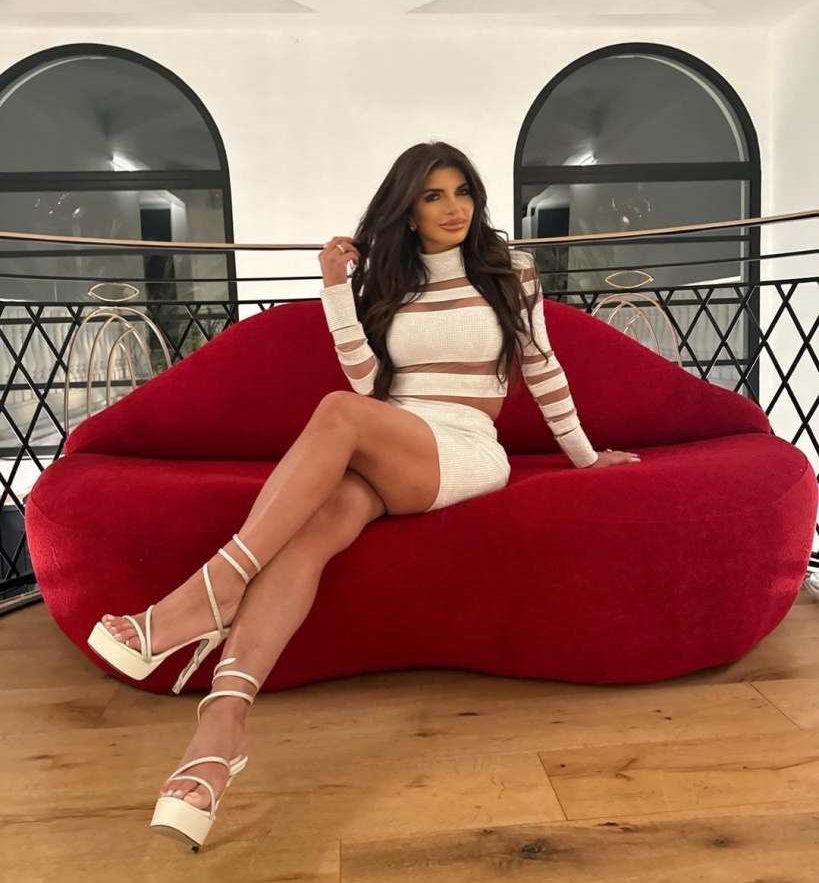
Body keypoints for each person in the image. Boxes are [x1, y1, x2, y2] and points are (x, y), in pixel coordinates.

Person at [88, 140, 641, 849]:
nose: (453, 208)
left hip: (463, 447)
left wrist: (587, 457)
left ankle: (212, 590)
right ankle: (220, 730)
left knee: (336, 415)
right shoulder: (392, 282)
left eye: (462, 192)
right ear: (408, 212)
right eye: (433, 196)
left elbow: (543, 367)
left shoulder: (510, 270)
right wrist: (334, 290)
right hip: (394, 439)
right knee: (312, 529)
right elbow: (366, 385)